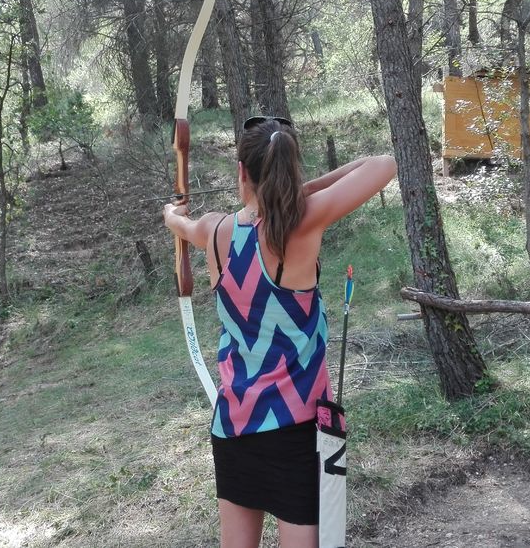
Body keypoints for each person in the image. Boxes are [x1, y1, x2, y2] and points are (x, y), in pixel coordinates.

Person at [163, 116, 396, 548]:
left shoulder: (215, 229)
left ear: (241, 172)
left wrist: (170, 212)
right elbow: (382, 164)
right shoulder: (301, 222)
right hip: (295, 428)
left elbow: (178, 223)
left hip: (234, 425)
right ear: (291, 171)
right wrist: (300, 191)